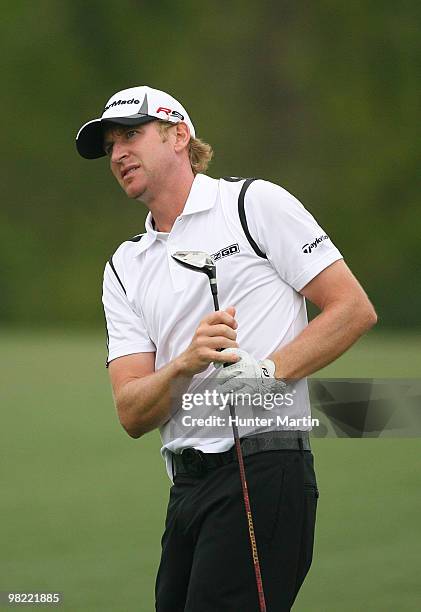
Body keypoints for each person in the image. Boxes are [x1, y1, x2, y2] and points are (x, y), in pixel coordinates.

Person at [76, 85, 377, 611]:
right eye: (109, 146)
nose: (118, 153)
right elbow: (131, 411)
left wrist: (268, 372)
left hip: (263, 470)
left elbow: (352, 308)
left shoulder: (252, 204)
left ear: (178, 135)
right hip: (186, 491)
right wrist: (185, 366)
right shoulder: (123, 267)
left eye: (131, 135)